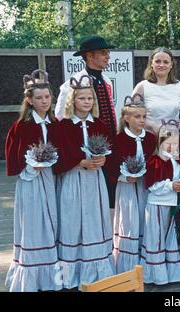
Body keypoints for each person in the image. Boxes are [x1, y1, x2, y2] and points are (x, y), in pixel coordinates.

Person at [54, 75, 115, 289]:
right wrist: (80, 161)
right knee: (73, 219)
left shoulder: (98, 124)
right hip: (73, 178)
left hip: (94, 180)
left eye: (90, 98)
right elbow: (58, 156)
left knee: (94, 218)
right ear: (73, 101)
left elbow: (110, 150)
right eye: (82, 98)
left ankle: (97, 269)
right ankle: (71, 273)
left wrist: (104, 158)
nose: (87, 102)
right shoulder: (63, 126)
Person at [4, 69, 61, 292]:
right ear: (29, 100)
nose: (44, 101)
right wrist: (29, 165)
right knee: (34, 223)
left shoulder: (55, 123)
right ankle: (32, 276)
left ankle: (52, 277)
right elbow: (13, 153)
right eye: (38, 97)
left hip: (51, 179)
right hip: (31, 181)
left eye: (47, 97)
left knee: (52, 221)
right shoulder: (21, 126)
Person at [55, 34, 117, 208]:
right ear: (90, 56)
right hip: (83, 152)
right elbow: (62, 118)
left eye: (107, 52)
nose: (108, 56)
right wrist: (77, 155)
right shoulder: (72, 84)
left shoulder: (105, 81)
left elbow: (110, 113)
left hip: (105, 150)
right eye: (103, 52)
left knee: (106, 196)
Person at [112, 95, 156, 274]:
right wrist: (123, 177)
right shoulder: (119, 139)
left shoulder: (151, 138)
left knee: (145, 219)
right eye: (137, 117)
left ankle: (146, 263)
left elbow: (155, 160)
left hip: (145, 186)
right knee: (129, 220)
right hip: (127, 187)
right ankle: (127, 266)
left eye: (144, 117)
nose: (142, 120)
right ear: (127, 118)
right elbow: (111, 164)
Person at [140, 120, 180, 285]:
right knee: (156, 238)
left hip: (171, 204)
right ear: (160, 142)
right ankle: (155, 274)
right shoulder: (155, 162)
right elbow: (152, 186)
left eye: (174, 144)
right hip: (157, 205)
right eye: (168, 143)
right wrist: (170, 185)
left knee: (169, 237)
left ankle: (170, 273)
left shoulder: (175, 162)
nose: (170, 147)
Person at [132, 47, 180, 134]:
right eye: (158, 61)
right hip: (147, 137)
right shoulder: (142, 87)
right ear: (151, 63)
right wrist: (153, 126)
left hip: (173, 138)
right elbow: (132, 114)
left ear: (171, 65)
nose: (161, 65)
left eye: (166, 62)